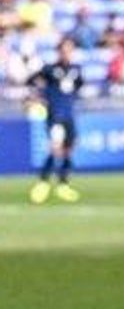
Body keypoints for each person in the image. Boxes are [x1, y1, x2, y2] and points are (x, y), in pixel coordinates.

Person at [29, 37, 83, 204]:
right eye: (64, 49)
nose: (67, 53)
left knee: (69, 148)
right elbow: (31, 81)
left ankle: (63, 184)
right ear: (59, 51)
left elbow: (78, 87)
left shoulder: (76, 70)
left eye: (70, 49)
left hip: (69, 115)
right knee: (55, 148)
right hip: (55, 116)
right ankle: (43, 182)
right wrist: (40, 97)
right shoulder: (49, 69)